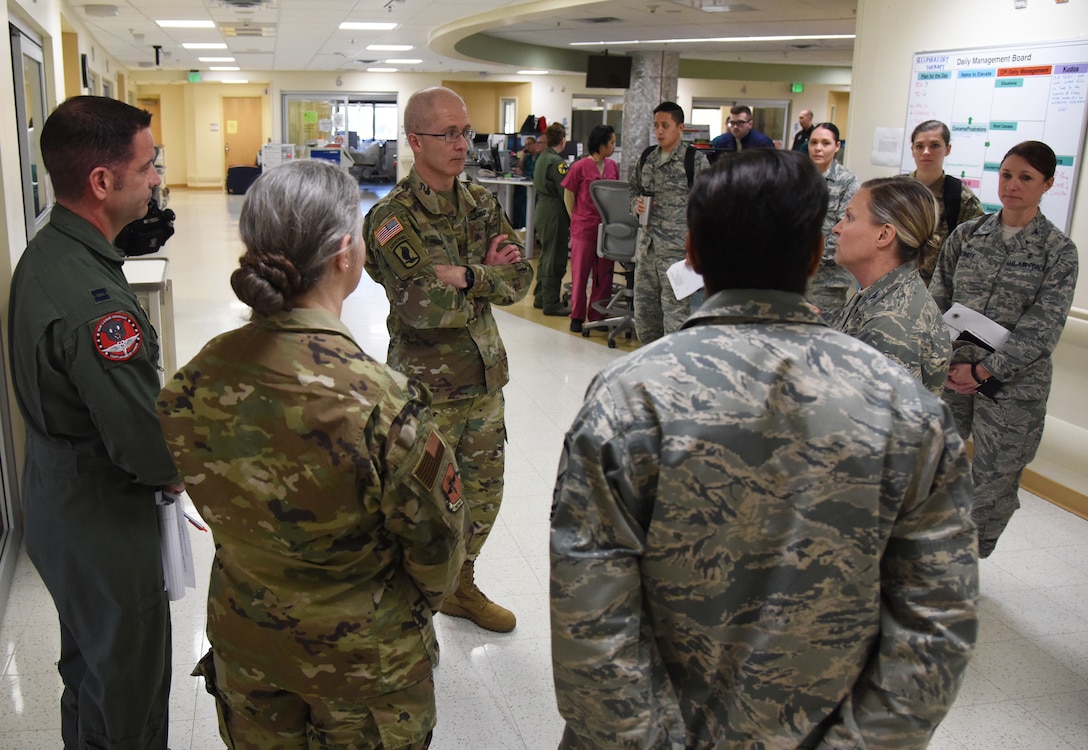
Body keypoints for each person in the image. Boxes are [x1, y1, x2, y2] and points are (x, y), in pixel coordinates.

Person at [550, 148, 978, 750]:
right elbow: (936, 624)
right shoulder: (908, 409)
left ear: (693, 254)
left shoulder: (629, 399)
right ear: (813, 255)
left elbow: (588, 617)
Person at [158, 160, 468, 749]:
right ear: (346, 254)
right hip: (362, 666)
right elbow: (438, 554)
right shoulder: (381, 402)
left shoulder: (196, 378)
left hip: (248, 646)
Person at [7, 95, 182, 748]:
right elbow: (144, 448)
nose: (156, 179)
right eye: (148, 166)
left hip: (57, 501)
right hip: (101, 517)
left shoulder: (48, 255)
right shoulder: (96, 306)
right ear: (102, 181)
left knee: (89, 668)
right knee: (128, 686)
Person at [364, 86, 533, 633]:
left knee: (483, 498)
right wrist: (485, 277)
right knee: (423, 509)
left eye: (467, 132)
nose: (463, 144)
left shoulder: (480, 203)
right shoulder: (391, 218)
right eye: (450, 134)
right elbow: (419, 308)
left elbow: (521, 280)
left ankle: (460, 586)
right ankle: (409, 608)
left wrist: (465, 275)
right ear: (415, 141)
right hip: (425, 392)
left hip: (483, 381)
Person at [931, 140, 1079, 558]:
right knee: (938, 461)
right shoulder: (968, 235)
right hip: (953, 373)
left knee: (995, 477)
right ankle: (932, 549)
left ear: (1048, 183)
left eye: (1026, 178)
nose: (1012, 186)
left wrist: (984, 373)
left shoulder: (1058, 251)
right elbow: (938, 299)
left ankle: (970, 554)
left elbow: (1042, 327)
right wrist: (944, 362)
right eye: (1007, 175)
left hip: (1012, 385)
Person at [834, 177, 951, 395]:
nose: (837, 228)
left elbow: (869, 421)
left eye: (849, 217)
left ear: (884, 235)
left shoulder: (892, 322)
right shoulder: (881, 293)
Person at [629, 101, 710, 342]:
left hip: (677, 254)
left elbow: (710, 206)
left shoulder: (694, 161)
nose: (659, 131)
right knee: (644, 317)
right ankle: (649, 368)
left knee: (675, 320)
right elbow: (633, 190)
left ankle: (672, 371)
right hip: (647, 250)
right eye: (656, 126)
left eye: (665, 125)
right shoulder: (647, 158)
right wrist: (636, 205)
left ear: (680, 127)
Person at [908, 120, 984, 284]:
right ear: (912, 150)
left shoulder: (961, 198)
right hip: (893, 289)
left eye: (935, 145)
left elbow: (975, 250)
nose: (926, 152)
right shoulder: (894, 191)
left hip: (936, 293)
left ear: (947, 149)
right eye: (919, 146)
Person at [562, 124, 620, 333]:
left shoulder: (613, 166)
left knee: (604, 273)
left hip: (606, 228)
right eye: (612, 143)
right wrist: (575, 217)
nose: (614, 146)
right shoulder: (580, 167)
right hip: (583, 227)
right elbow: (568, 195)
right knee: (580, 273)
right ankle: (577, 316)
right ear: (601, 144)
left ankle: (599, 315)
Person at [806, 121, 860, 323]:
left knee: (823, 331)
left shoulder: (848, 182)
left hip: (828, 279)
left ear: (837, 146)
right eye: (814, 142)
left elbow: (845, 230)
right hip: (795, 273)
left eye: (825, 143)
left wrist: (811, 254)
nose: (818, 148)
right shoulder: (798, 177)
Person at [533, 121, 572, 315]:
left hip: (542, 208)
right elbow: (565, 191)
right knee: (555, 257)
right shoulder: (557, 162)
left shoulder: (542, 157)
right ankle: (551, 302)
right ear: (563, 141)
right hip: (555, 211)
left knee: (546, 254)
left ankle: (541, 297)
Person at [709, 105, 776, 152]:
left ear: (750, 124)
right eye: (732, 123)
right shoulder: (722, 142)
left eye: (740, 123)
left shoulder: (763, 143)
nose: (735, 127)